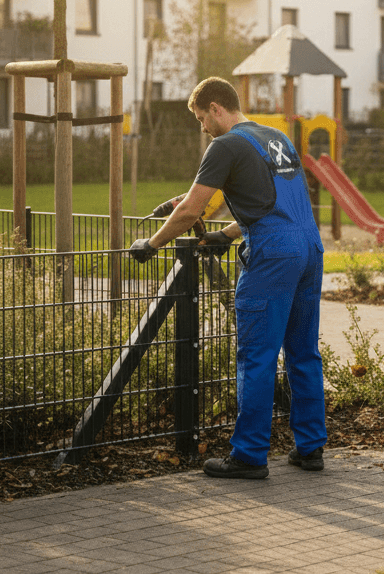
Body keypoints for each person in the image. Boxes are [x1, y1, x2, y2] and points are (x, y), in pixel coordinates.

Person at [128, 77, 327, 479]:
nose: (203, 127)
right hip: (309, 246)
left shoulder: (225, 145)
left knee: (257, 356)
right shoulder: (277, 138)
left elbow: (190, 210)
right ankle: (310, 448)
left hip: (273, 255)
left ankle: (249, 455)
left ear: (216, 109)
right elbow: (278, 203)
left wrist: (151, 244)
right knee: (303, 352)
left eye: (201, 118)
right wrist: (229, 233)